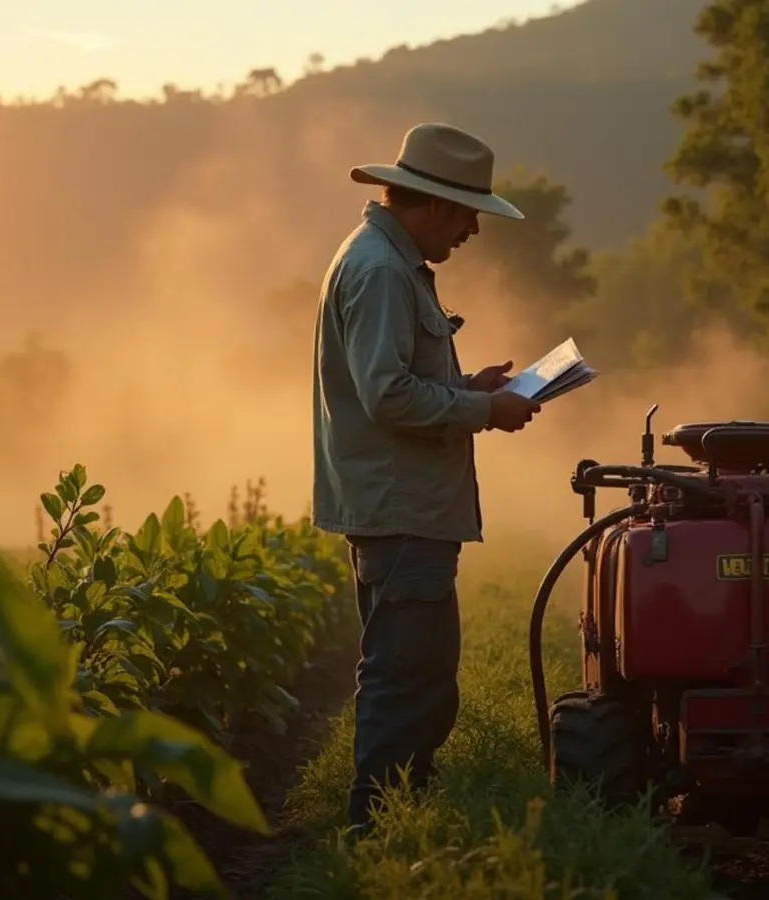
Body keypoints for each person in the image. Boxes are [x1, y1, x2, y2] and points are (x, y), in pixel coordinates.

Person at [311, 122, 543, 832]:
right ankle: (373, 826)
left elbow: (394, 379)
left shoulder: (384, 260)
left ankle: (402, 810)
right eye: (468, 213)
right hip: (401, 509)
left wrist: (467, 383)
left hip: (401, 506)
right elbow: (386, 395)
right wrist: (484, 408)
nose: (472, 229)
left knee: (420, 676)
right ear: (434, 205)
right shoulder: (383, 271)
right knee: (404, 678)